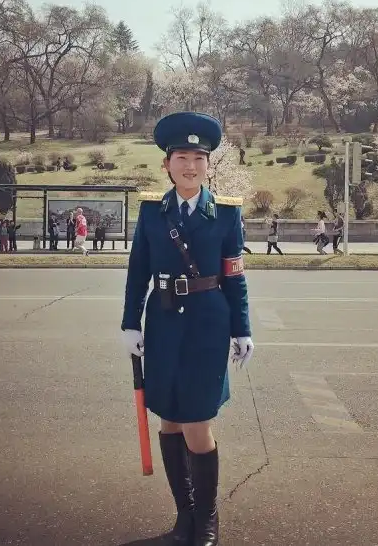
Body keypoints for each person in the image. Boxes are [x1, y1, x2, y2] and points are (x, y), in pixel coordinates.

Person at [121, 111, 254, 545]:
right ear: (167, 164)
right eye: (182, 157)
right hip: (162, 324)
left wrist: (242, 328)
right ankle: (184, 516)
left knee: (197, 423)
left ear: (209, 165)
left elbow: (234, 275)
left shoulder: (226, 214)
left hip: (207, 327)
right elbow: (138, 270)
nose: (190, 166)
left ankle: (207, 519)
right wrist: (130, 323)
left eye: (199, 158)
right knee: (169, 422)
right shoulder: (151, 211)